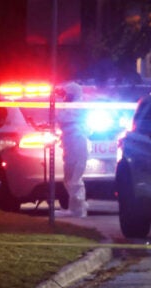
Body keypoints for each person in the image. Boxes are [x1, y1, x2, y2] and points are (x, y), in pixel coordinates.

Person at [57, 82, 89, 217]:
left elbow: (64, 119)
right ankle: (75, 207)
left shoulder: (78, 107)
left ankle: (78, 210)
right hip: (69, 144)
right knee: (69, 178)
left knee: (75, 178)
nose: (65, 96)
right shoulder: (68, 105)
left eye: (66, 94)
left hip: (77, 144)